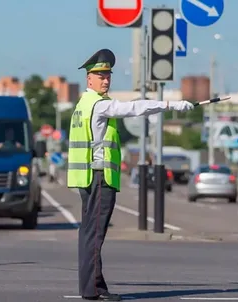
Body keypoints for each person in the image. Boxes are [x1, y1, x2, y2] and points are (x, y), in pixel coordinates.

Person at [67, 48, 194, 301]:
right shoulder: (99, 105)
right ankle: (92, 290)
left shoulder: (81, 105)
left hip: (87, 179)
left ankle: (94, 287)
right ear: (88, 78)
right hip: (99, 177)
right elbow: (136, 108)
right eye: (100, 75)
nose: (106, 79)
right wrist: (171, 104)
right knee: (94, 235)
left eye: (108, 75)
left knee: (89, 234)